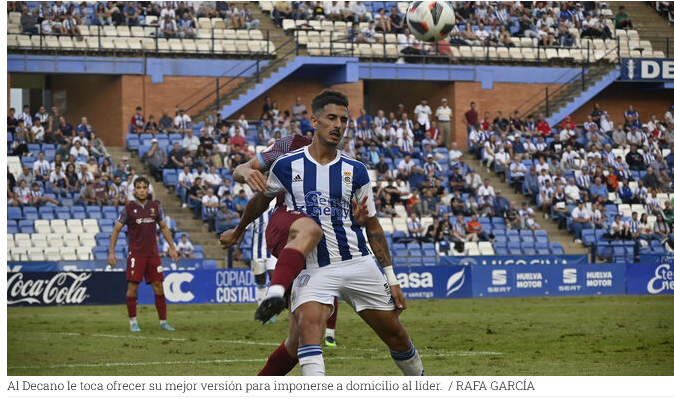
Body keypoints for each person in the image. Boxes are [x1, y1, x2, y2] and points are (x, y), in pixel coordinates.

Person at [221, 90, 423, 377]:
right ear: (314, 121)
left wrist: (391, 279)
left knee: (397, 336)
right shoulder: (286, 158)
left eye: (344, 120)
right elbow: (258, 193)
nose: (338, 125)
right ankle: (275, 293)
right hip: (313, 266)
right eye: (331, 118)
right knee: (307, 332)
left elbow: (374, 226)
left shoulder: (357, 170)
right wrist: (239, 229)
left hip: (357, 262)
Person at [108, 177, 178, 332]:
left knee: (159, 286)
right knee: (133, 287)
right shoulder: (128, 209)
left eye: (144, 187)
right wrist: (111, 252)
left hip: (153, 254)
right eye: (138, 187)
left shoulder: (155, 207)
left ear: (148, 190)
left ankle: (163, 322)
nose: (141, 190)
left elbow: (164, 228)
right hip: (136, 255)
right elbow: (116, 230)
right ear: (134, 190)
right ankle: (133, 322)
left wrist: (172, 248)